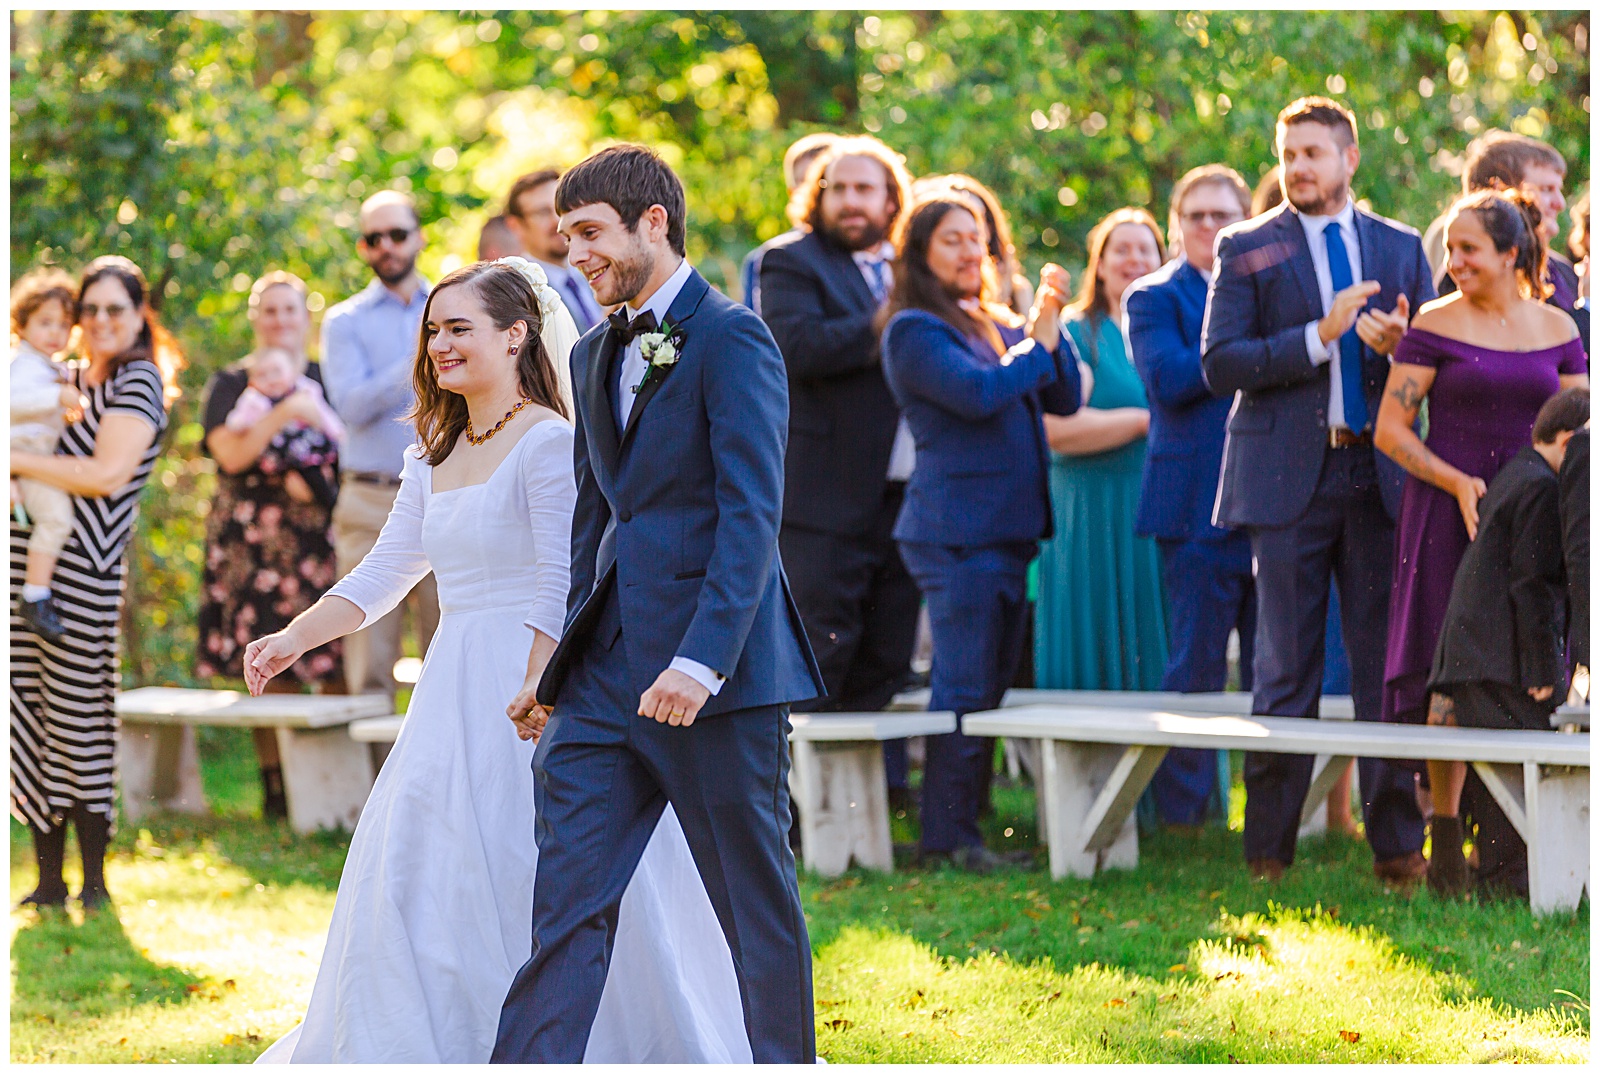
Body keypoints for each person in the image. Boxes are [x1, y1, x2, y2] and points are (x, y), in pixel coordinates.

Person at [246, 257, 747, 1062]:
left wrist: (539, 682)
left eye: (460, 329)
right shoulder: (434, 450)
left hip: (533, 680)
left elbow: (563, 577)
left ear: (517, 336)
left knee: (533, 861)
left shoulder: (547, 442)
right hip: (450, 685)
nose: (441, 344)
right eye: (434, 330)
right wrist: (293, 636)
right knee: (418, 863)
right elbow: (384, 572)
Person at [492, 145, 825, 1063]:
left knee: (755, 912)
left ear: (653, 224)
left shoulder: (735, 338)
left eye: (591, 234)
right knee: (563, 912)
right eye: (566, 239)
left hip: (714, 682)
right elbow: (593, 527)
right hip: (600, 688)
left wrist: (701, 660)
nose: (577, 256)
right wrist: (551, 666)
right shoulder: (594, 350)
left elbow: (751, 515)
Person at [1201, 96, 1434, 884]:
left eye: (1313, 153)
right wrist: (1319, 336)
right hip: (1286, 479)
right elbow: (1220, 363)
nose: (1297, 167)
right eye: (1288, 152)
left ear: (1349, 159)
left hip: (1380, 477)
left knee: (1384, 666)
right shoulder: (1247, 245)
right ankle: (1268, 851)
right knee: (1285, 668)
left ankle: (1399, 849)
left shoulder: (1402, 248)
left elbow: (1436, 364)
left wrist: (1406, 349)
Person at [1374, 189, 1587, 895]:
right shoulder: (1433, 323)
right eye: (1450, 248)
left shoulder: (1558, 324)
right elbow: (1392, 430)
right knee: (1447, 672)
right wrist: (1456, 481)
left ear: (1508, 253)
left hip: (1533, 520)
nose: (1453, 260)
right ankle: (1442, 845)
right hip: (1447, 514)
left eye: (1468, 249)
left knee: (1522, 661)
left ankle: (1515, 842)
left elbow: (1581, 429)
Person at [880, 193, 1080, 871]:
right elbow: (978, 394)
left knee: (989, 687)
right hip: (954, 533)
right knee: (963, 688)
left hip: (1008, 534)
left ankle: (968, 823)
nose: (973, 251)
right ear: (921, 254)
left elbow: (1066, 397)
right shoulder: (912, 330)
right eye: (953, 240)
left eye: (979, 239)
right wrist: (1036, 344)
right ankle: (947, 840)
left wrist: (1052, 324)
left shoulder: (995, 321)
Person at [10, 256, 180, 911]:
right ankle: (47, 879)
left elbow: (107, 475)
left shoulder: (137, 383)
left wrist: (13, 457)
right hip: (27, 567)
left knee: (81, 722)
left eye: (117, 308)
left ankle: (95, 881)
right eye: (92, 308)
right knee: (32, 718)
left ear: (140, 316)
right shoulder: (66, 376)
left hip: (83, 576)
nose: (101, 320)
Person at [758, 135, 924, 801]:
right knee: (819, 656)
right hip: (824, 499)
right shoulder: (790, 263)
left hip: (907, 492)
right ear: (817, 196)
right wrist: (889, 318)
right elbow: (799, 348)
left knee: (887, 657)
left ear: (892, 200)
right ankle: (792, 817)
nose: (853, 202)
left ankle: (863, 810)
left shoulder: (914, 264)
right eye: (840, 188)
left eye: (867, 189)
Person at [1124, 165, 1255, 828]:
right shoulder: (1153, 297)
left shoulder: (1272, 289)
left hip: (1270, 501)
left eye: (1222, 214)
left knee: (1274, 669)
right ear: (1177, 225)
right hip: (1192, 507)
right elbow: (1171, 379)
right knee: (1195, 667)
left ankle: (1268, 814)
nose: (1209, 226)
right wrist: (1256, 346)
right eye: (1196, 215)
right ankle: (1186, 817)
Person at [1428, 387, 1589, 901]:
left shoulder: (1519, 474)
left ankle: (1500, 874)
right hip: (1497, 657)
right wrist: (1545, 670)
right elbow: (1532, 583)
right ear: (1568, 441)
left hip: (1479, 652)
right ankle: (1507, 881)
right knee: (1517, 770)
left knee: (1498, 771)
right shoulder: (1542, 488)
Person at [196, 273, 344, 818]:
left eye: (290, 310)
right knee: (263, 653)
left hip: (314, 538)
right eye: (270, 311)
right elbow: (231, 455)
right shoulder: (232, 383)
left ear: (306, 318)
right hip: (249, 542)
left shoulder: (328, 378)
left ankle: (333, 782)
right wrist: (284, 411)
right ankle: (275, 784)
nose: (280, 320)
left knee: (330, 655)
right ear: (256, 318)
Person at [1034, 207, 1166, 693]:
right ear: (1101, 262)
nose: (1134, 259)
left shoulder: (1179, 327)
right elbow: (1057, 428)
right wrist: (1142, 423)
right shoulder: (1075, 333)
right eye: (1121, 249)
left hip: (1157, 507)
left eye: (1144, 248)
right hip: (1089, 508)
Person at [321, 190, 441, 701]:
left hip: (444, 491)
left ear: (419, 237)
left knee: (448, 649)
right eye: (375, 238)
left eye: (397, 234)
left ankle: (448, 782)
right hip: (369, 498)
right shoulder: (343, 322)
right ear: (362, 248)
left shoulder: (456, 306)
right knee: (369, 663)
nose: (387, 246)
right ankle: (368, 784)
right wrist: (421, 352)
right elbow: (349, 406)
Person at [1425, 131, 1585, 351]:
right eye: (1546, 189)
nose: (1560, 203)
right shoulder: (1466, 276)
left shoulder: (1566, 273)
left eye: (1559, 189)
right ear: (1499, 192)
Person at [9, 269, 81, 644]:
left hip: (30, 457)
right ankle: (34, 595)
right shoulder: (20, 363)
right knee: (56, 519)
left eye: (64, 325)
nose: (55, 333)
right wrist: (57, 397)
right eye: (45, 323)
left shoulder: (48, 366)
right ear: (22, 325)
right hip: (23, 455)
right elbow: (12, 403)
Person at [222, 345, 343, 506]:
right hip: (288, 459)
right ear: (252, 382)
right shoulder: (254, 401)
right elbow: (236, 421)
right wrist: (240, 425)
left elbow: (326, 417)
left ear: (292, 373)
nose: (271, 379)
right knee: (315, 483)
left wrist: (339, 435)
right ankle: (332, 506)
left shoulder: (307, 389)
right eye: (262, 376)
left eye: (276, 372)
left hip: (316, 448)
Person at [740, 131, 839, 313]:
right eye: (808, 182)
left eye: (827, 181)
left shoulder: (879, 254)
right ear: (792, 192)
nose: (818, 191)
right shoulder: (765, 259)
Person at [919, 173, 1037, 317]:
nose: (968, 223)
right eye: (953, 240)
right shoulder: (922, 317)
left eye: (979, 218)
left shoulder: (1018, 291)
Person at [504, 168, 606, 332]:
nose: (557, 221)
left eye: (560, 208)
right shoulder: (516, 292)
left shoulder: (597, 269)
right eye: (543, 213)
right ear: (516, 226)